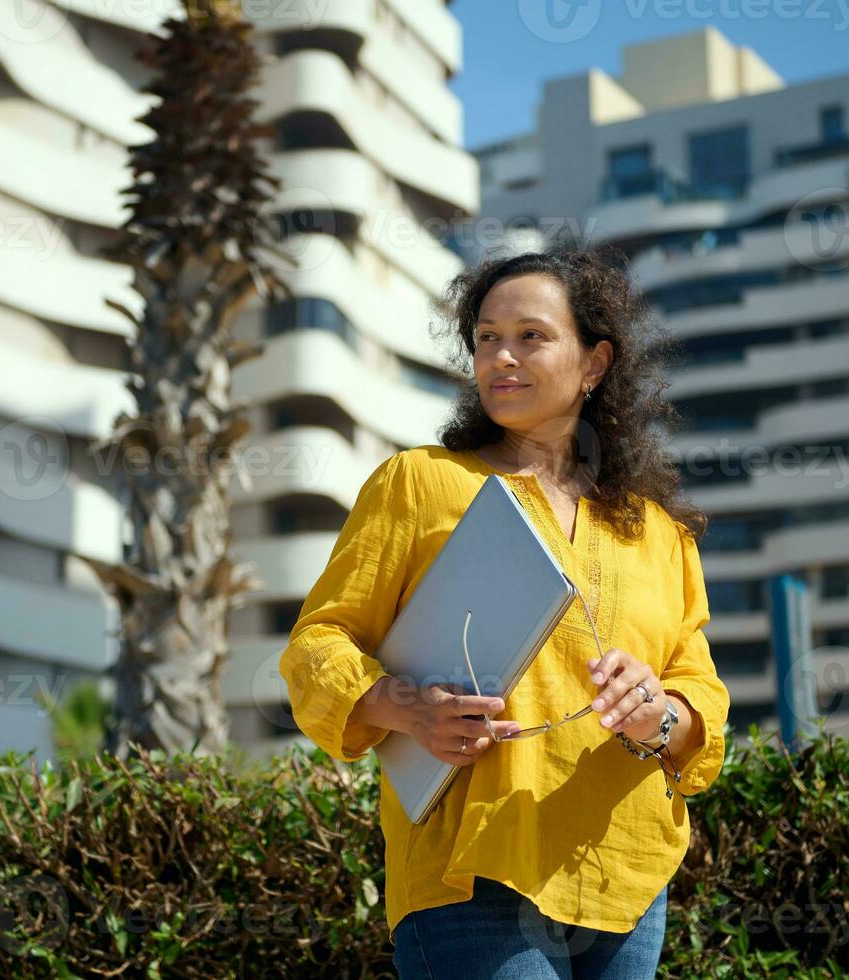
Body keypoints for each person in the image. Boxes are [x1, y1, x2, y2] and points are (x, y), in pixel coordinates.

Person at [278, 242, 731, 979]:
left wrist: (662, 712)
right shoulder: (419, 483)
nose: (501, 358)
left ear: (594, 363)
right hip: (471, 870)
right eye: (486, 338)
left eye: (530, 337)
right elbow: (317, 643)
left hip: (627, 875)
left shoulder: (659, 534)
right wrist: (404, 707)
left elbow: (699, 688)